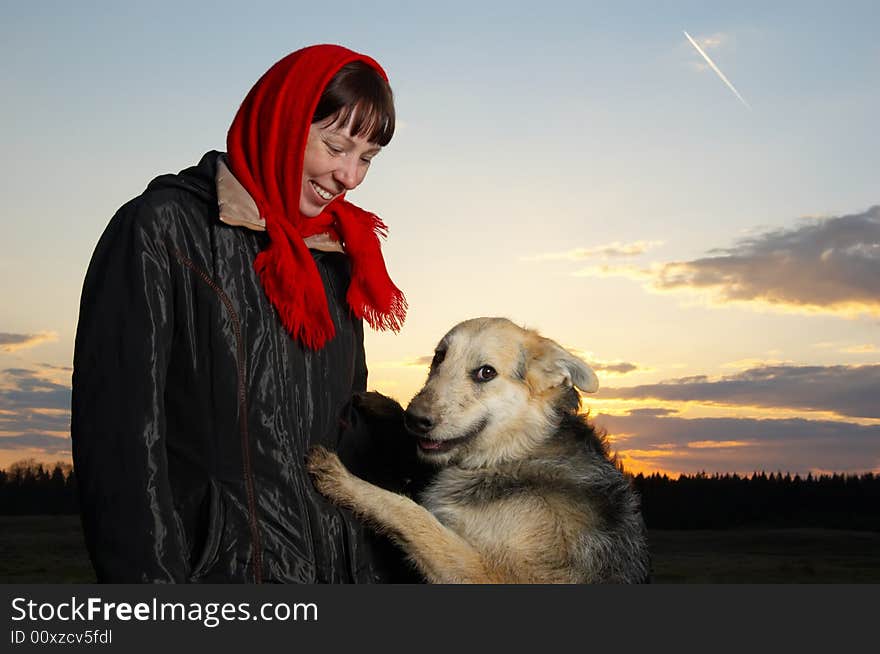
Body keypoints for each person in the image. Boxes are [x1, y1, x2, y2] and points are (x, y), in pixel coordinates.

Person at [71, 44, 414, 583]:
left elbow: (345, 436)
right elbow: (121, 448)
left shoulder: (339, 257)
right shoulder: (162, 230)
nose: (349, 176)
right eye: (335, 145)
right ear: (281, 120)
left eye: (367, 157)